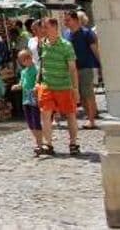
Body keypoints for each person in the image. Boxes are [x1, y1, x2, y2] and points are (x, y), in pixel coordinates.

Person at [37, 16, 81, 156]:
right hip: (47, 86)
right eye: (43, 27)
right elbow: (42, 64)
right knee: (45, 114)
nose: (43, 30)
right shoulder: (43, 44)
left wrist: (75, 88)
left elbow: (72, 68)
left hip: (64, 86)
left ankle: (73, 143)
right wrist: (37, 83)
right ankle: (48, 144)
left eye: (46, 27)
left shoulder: (66, 45)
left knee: (70, 115)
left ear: (55, 28)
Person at [65, 11, 100, 129]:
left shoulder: (86, 33)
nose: (66, 22)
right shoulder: (66, 34)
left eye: (68, 20)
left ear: (75, 20)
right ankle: (88, 117)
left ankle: (91, 120)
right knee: (80, 95)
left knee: (88, 94)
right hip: (72, 69)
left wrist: (100, 63)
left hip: (85, 67)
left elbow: (95, 49)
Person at [11, 48, 42, 156]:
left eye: (27, 58)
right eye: (23, 60)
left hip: (34, 97)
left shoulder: (36, 70)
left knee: (36, 120)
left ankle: (39, 143)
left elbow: (39, 82)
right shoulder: (23, 72)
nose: (26, 61)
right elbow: (22, 83)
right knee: (30, 122)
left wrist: (35, 89)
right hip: (25, 99)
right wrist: (17, 86)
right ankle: (39, 139)